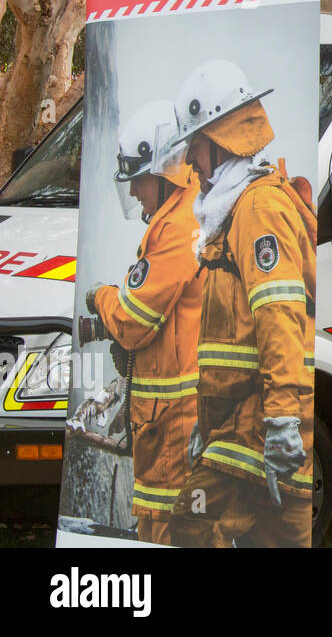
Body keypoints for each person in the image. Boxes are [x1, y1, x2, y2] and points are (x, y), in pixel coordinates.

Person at [166, 60, 316, 548]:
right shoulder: (234, 209)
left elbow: (279, 317)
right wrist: (206, 426)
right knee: (279, 536)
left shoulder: (256, 208)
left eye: (196, 145)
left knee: (192, 521)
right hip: (239, 422)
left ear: (222, 135)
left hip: (258, 421)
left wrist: (281, 418)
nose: (191, 160)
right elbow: (231, 337)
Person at [81, 100, 202, 545]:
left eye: (137, 180)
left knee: (171, 532)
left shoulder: (179, 228)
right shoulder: (182, 216)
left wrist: (100, 296)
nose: (133, 193)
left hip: (175, 424)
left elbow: (132, 321)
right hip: (167, 421)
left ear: (164, 170)